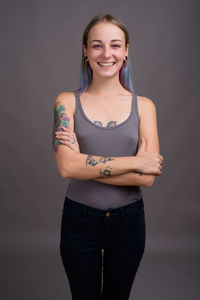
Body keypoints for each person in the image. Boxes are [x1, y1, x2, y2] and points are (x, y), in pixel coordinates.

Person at [52, 13, 163, 300]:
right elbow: (66, 167)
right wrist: (135, 163)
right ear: (85, 51)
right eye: (97, 45)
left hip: (128, 221)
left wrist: (84, 163)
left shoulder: (144, 107)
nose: (106, 53)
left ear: (126, 51)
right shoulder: (66, 102)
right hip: (79, 219)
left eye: (115, 45)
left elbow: (148, 178)